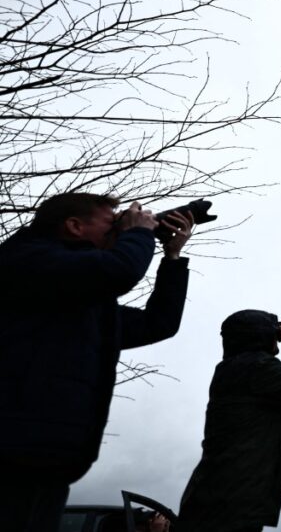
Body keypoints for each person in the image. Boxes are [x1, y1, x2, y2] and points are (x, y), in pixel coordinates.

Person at [0, 192, 193, 532]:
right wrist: (138, 232)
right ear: (74, 226)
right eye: (111, 222)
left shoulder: (82, 300)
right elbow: (116, 272)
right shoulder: (26, 260)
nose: (118, 227)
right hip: (13, 446)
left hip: (50, 455)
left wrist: (172, 257)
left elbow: (158, 323)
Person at [176, 307, 281, 532]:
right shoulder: (256, 366)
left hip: (220, 498)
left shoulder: (238, 368)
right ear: (260, 336)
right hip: (231, 503)